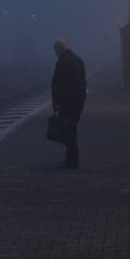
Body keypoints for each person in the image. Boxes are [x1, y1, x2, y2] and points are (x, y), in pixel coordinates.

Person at [51, 39, 86, 169]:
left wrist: (58, 104)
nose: (55, 53)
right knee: (71, 131)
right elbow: (82, 83)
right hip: (77, 102)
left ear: (60, 48)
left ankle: (72, 161)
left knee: (68, 133)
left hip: (66, 104)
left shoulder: (63, 62)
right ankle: (70, 160)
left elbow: (60, 86)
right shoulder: (77, 60)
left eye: (55, 50)